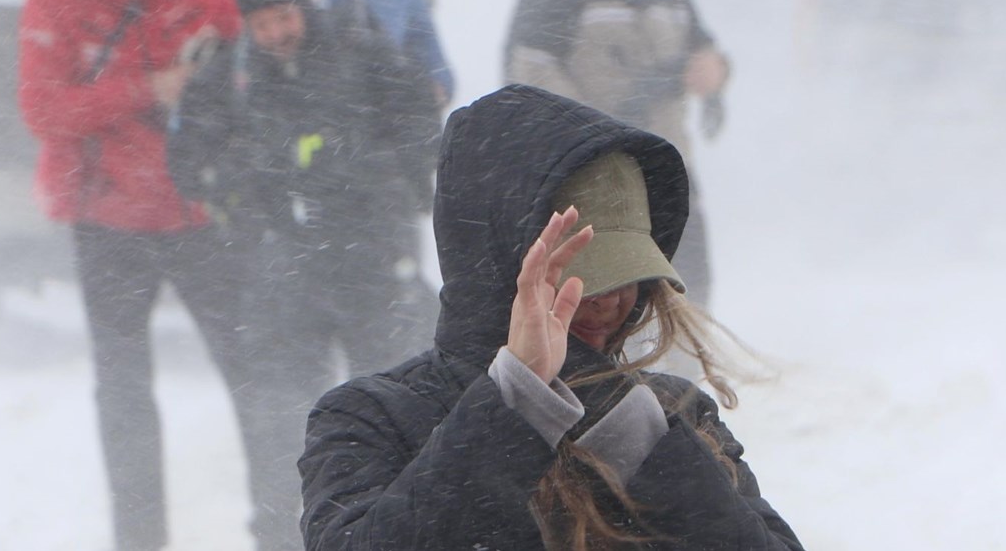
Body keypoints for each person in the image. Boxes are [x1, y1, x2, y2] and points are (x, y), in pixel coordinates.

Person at [298, 84, 803, 550]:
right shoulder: (373, 418)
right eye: (577, 276)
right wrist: (515, 404)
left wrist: (641, 445)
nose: (608, 301)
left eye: (626, 273)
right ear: (498, 272)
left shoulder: (672, 415)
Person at [18, 0, 273, 551]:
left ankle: (280, 523)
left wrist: (208, 100)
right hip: (106, 219)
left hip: (202, 217)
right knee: (124, 391)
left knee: (253, 374)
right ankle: (139, 539)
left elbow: (252, 80)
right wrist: (144, 90)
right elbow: (43, 109)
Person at [168, 0, 441, 545]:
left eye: (283, 18)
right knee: (282, 429)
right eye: (261, 24)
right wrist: (240, 187)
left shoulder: (360, 52)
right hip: (280, 277)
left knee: (400, 415)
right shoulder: (227, 75)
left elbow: (422, 122)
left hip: (374, 266)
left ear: (304, 7)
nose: (276, 34)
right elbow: (188, 161)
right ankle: (282, 537)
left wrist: (392, 184)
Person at [504, 0, 730, 307]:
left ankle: (682, 369)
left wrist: (715, 70)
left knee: (686, 282)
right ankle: (597, 371)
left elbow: (703, 48)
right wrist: (591, 132)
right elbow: (532, 66)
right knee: (598, 289)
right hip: (592, 167)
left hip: (667, 161)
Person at [292, 0, 453, 317]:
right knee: (319, 299)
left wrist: (435, 84)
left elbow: (426, 46)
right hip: (317, 177)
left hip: (389, 168)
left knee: (393, 299)